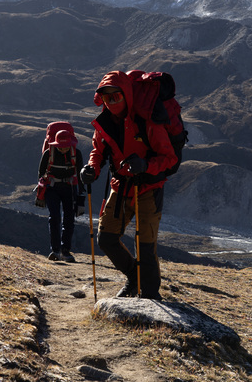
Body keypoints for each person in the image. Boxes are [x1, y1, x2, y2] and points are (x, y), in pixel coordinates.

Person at [80, 71, 177, 300]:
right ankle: (135, 278)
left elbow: (169, 158)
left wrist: (145, 165)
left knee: (145, 245)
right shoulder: (104, 122)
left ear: (127, 95)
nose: (112, 102)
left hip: (149, 188)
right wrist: (91, 168)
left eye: (116, 97)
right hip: (120, 185)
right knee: (106, 239)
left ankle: (150, 295)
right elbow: (98, 150)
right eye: (107, 98)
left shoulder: (148, 121)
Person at [37, 128, 85, 262]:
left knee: (69, 218)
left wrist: (81, 197)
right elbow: (41, 174)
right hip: (52, 188)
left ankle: (65, 250)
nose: (63, 149)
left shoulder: (77, 154)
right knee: (54, 217)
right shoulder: (49, 153)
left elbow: (80, 176)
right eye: (61, 147)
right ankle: (56, 250)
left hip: (70, 188)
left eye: (66, 147)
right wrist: (41, 193)